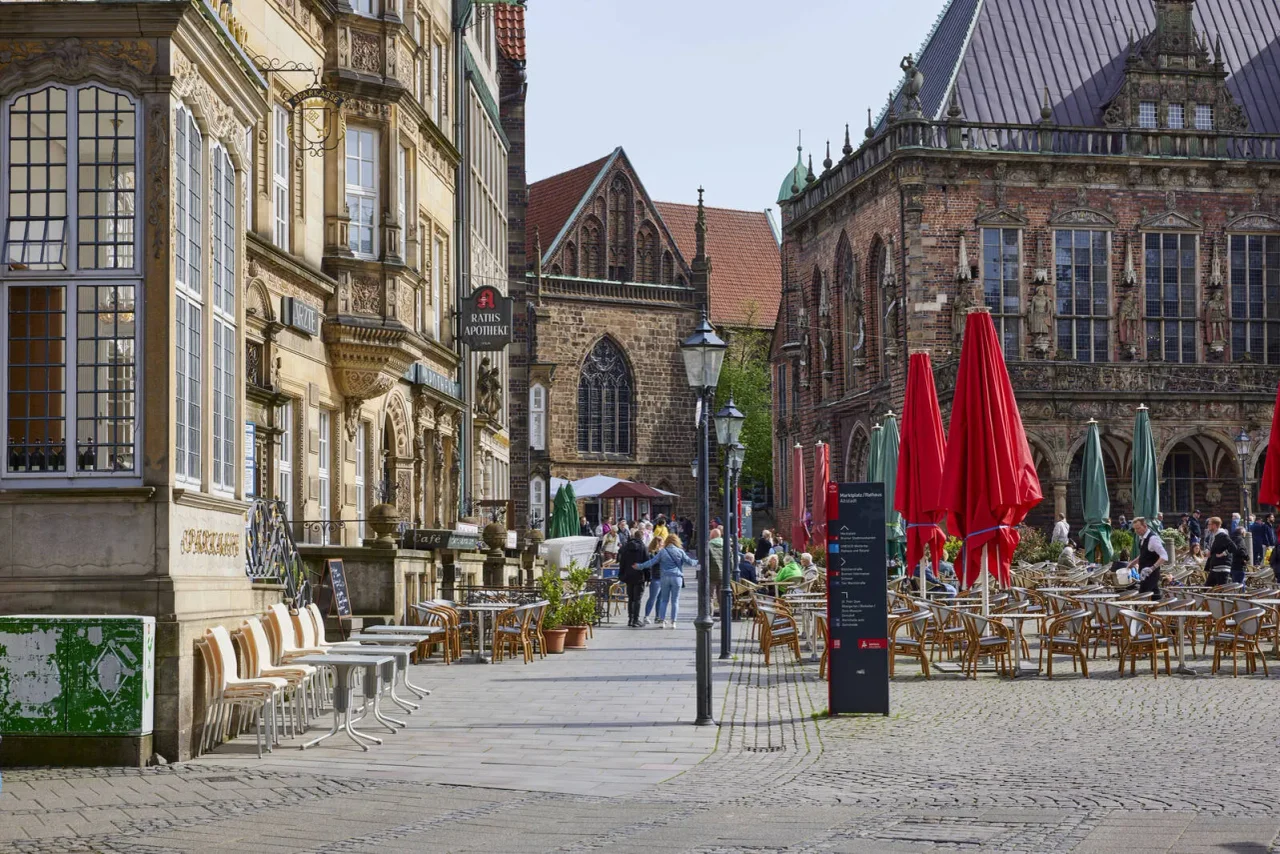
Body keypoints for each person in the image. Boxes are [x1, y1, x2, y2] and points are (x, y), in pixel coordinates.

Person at [635, 534, 695, 629]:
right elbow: (690, 562)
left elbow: (651, 562)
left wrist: (639, 566)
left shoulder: (663, 552)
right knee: (675, 601)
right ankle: (673, 622)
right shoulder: (680, 551)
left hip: (664, 577)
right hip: (676, 577)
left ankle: (662, 621)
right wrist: (699, 561)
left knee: (664, 600)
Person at [1127, 517, 1167, 599]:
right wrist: (1132, 563)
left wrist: (1152, 568)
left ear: (1145, 526)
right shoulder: (1141, 538)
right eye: (1135, 529)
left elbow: (1164, 556)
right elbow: (1144, 554)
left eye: (1138, 528)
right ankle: (1160, 609)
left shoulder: (1153, 539)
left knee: (1144, 598)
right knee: (1153, 597)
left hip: (1151, 575)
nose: (1137, 531)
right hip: (1144, 575)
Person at [617, 532, 650, 627]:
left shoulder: (626, 547)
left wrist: (621, 574)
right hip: (639, 575)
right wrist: (648, 577)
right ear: (642, 537)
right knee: (637, 598)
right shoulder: (643, 547)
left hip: (628, 575)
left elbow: (621, 562)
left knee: (630, 598)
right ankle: (636, 619)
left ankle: (630, 619)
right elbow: (647, 562)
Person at [1202, 515, 1239, 588]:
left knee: (1222, 590)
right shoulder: (1214, 535)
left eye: (1209, 524)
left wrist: (1223, 554)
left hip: (1222, 568)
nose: (1208, 526)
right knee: (1207, 588)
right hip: (1215, 567)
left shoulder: (1222, 535)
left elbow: (1233, 547)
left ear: (1214, 525)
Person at [641, 536, 664, 624]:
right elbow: (649, 566)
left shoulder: (662, 552)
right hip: (655, 577)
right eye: (661, 543)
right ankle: (646, 616)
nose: (662, 544)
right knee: (652, 598)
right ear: (657, 543)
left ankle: (657, 617)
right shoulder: (651, 553)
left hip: (663, 577)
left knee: (660, 598)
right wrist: (649, 578)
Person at [707, 526, 724, 611]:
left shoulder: (709, 546)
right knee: (722, 597)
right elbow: (731, 561)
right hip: (723, 574)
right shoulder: (726, 545)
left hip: (711, 574)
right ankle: (723, 616)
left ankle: (709, 615)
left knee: (709, 597)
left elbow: (706, 561)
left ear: (712, 536)